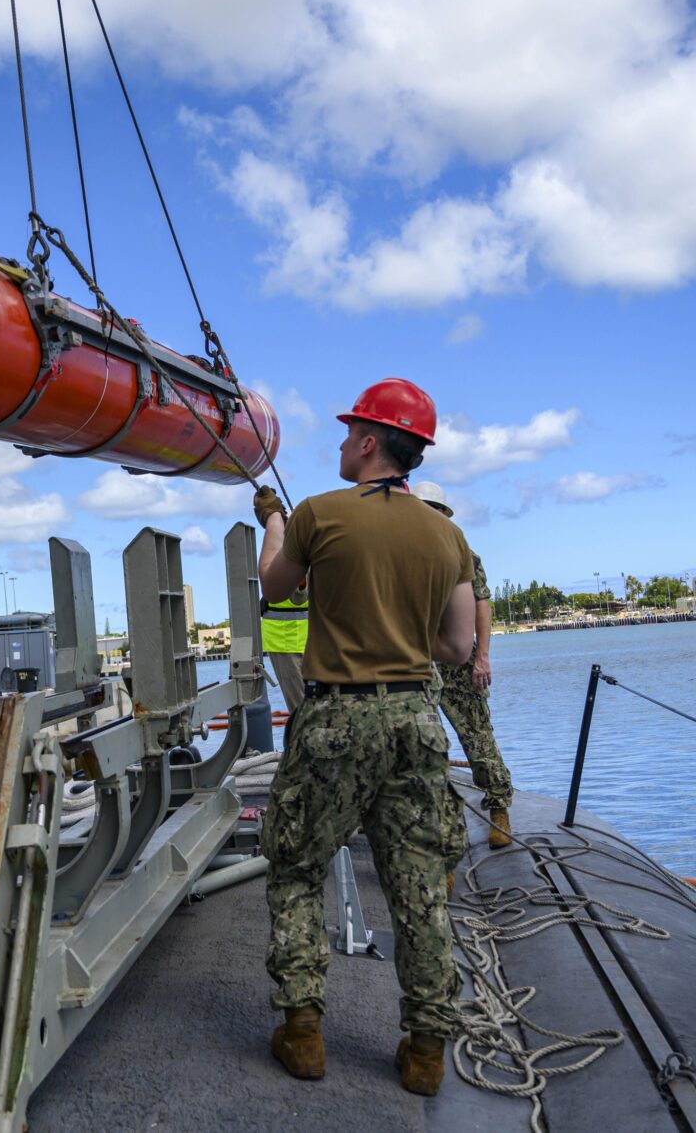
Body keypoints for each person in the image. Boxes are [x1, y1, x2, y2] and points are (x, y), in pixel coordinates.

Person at [252, 377, 475, 1097]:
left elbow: (277, 588)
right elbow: (459, 643)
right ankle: (425, 1050)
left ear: (372, 442)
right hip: (414, 720)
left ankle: (305, 1030)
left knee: (295, 863)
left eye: (350, 433)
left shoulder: (320, 513)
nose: (342, 443)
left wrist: (275, 525)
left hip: (336, 719)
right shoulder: (448, 535)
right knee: (418, 887)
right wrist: (401, 642)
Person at [412, 481, 513, 849]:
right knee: (422, 745)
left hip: (456, 660)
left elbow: (482, 605)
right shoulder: (401, 553)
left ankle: (499, 806)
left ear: (443, 515)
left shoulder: (463, 555)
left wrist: (482, 657)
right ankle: (436, 830)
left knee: (476, 737)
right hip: (416, 660)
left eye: (432, 510)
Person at [261, 581, 308, 714]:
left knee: (301, 710)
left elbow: (300, 595)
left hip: (290, 640)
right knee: (304, 708)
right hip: (288, 640)